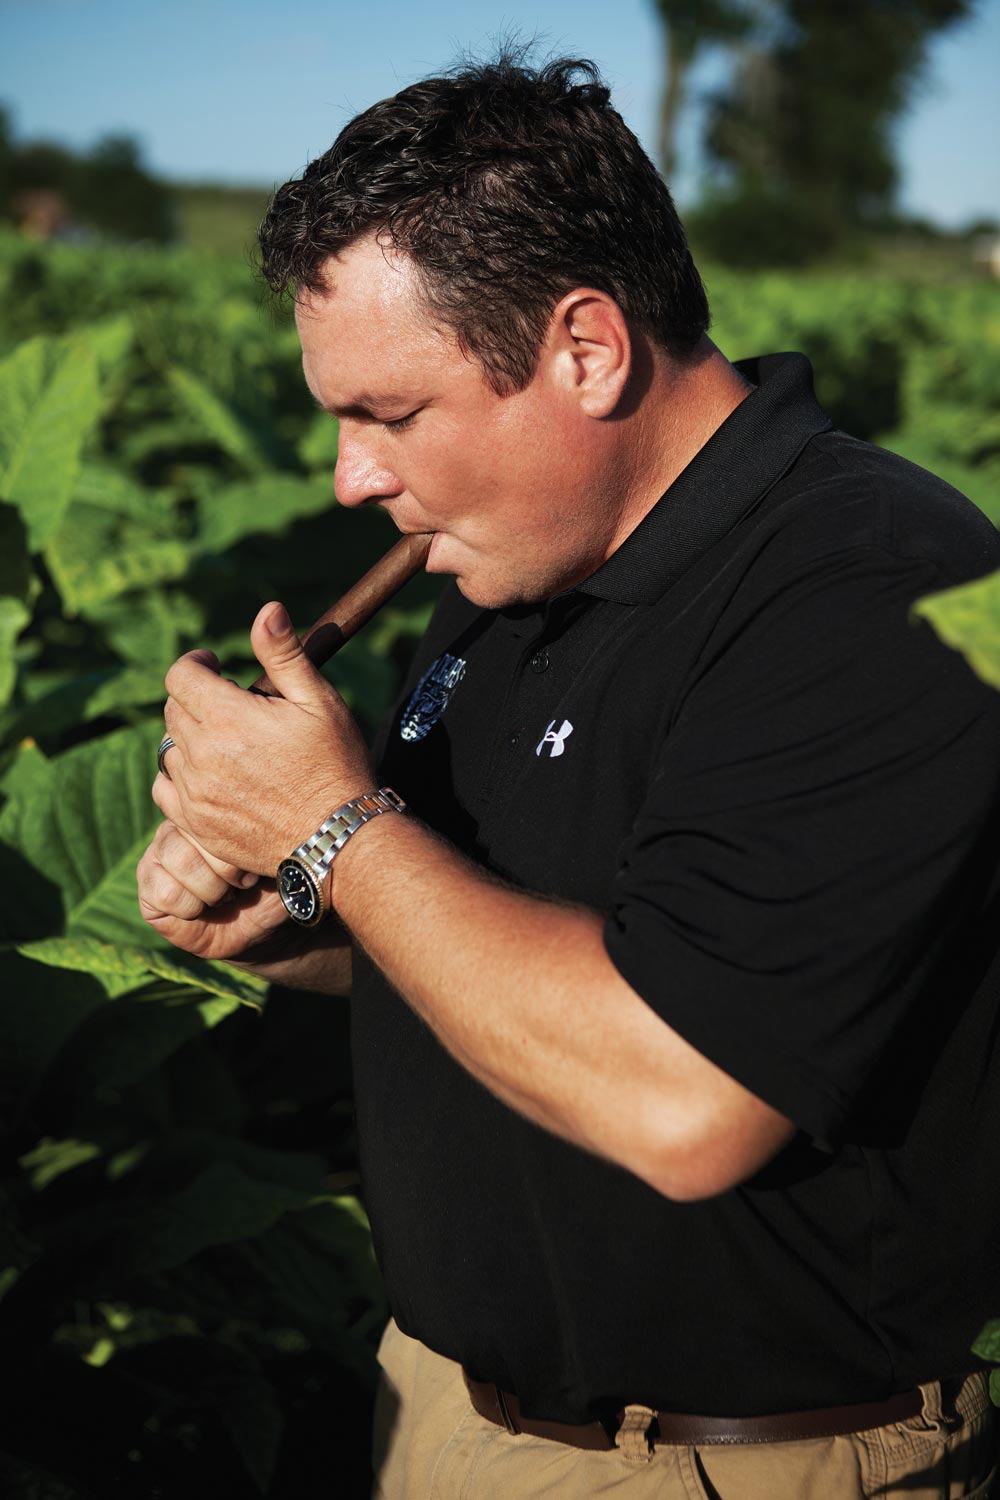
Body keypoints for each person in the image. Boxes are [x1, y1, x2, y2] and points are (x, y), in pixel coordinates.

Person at [136, 54, 1000, 1499]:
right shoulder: (505, 562)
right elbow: (515, 927)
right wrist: (298, 911)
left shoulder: (876, 586)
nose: (350, 477)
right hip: (441, 1411)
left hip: (733, 1464)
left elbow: (688, 1095)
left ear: (585, 349)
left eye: (389, 415)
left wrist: (331, 827)